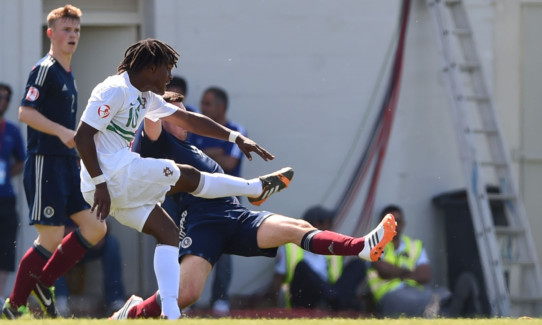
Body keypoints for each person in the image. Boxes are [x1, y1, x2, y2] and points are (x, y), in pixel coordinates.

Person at [108, 91, 397, 319]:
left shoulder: (190, 146)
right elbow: (151, 115)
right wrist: (156, 88)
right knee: (186, 294)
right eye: (178, 113)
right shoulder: (157, 142)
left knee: (297, 228)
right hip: (201, 222)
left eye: (186, 112)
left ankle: (360, 247)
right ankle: (133, 312)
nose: (186, 118)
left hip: (235, 215)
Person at [73, 39, 293, 320]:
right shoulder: (113, 89)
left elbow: (190, 121)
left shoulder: (146, 97)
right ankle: (254, 189)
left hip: (116, 183)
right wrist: (101, 183)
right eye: (167, 69)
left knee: (167, 232)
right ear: (151, 67)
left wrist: (237, 138)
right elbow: (82, 137)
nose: (170, 77)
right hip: (107, 177)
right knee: (187, 174)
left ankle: (170, 312)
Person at [2, 5, 109, 319]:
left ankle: (44, 281)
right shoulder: (45, 68)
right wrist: (64, 132)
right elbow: (25, 112)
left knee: (95, 227)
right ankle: (14, 306)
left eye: (76, 30)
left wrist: (75, 151)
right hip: (45, 164)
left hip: (65, 165)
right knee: (49, 237)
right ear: (51, 33)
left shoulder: (67, 73)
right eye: (66, 30)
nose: (72, 35)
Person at [188, 86, 247, 314]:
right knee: (191, 246)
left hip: (228, 199)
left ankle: (220, 299)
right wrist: (215, 153)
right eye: (202, 103)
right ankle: (188, 297)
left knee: (224, 250)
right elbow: (189, 160)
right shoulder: (195, 130)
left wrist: (205, 154)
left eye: (207, 104)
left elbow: (230, 164)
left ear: (221, 107)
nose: (202, 108)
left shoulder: (236, 130)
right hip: (197, 197)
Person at [366, 205, 482, 318]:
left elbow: (425, 276)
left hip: (416, 291)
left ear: (403, 224)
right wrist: (410, 273)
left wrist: (396, 272)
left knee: (441, 292)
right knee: (420, 301)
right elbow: (384, 271)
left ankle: (452, 309)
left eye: (398, 221)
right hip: (388, 295)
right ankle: (453, 311)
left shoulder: (414, 245)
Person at [262, 206, 367, 311]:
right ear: (317, 225)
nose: (332, 226)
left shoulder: (333, 245)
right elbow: (278, 278)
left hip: (329, 292)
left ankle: (333, 300)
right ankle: (335, 300)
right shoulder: (290, 246)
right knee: (302, 267)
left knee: (358, 264)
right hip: (303, 296)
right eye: (329, 223)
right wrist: (273, 305)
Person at [53, 219, 125, 317]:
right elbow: (54, 231)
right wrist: (85, 234)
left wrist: (100, 234)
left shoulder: (92, 204)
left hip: (90, 246)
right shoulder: (62, 204)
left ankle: (115, 300)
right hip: (67, 246)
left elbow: (106, 225)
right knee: (52, 246)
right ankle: (60, 300)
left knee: (112, 243)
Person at [0, 83, 25, 299]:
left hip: (5, 199)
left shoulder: (12, 131)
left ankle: (0, 298)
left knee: (5, 248)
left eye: (7, 98)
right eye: (0, 96)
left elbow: (23, 160)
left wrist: (7, 172)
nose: (3, 102)